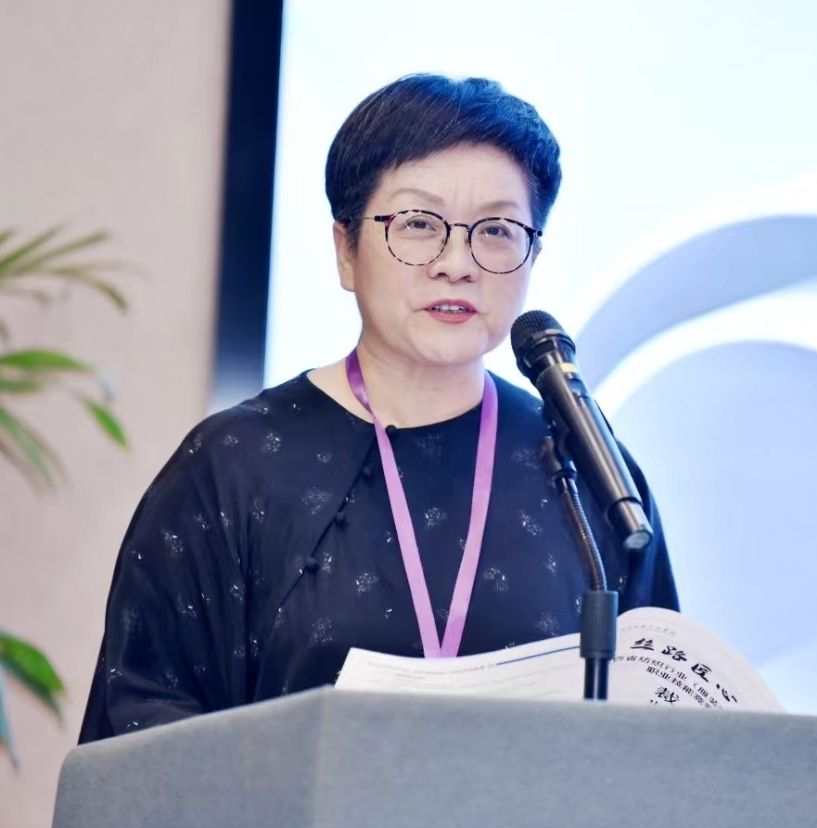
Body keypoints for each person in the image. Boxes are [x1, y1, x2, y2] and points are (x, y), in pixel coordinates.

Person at [79, 74, 678, 742]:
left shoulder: (584, 465)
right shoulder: (234, 464)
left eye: (497, 230)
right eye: (418, 224)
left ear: (532, 251)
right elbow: (142, 725)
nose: (458, 263)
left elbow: (662, 722)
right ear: (346, 249)